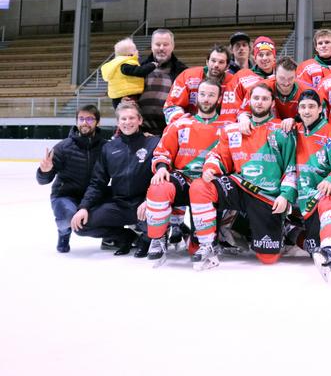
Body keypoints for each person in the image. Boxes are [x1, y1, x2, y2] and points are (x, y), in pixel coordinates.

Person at [189, 82, 297, 270]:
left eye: (265, 99)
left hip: (266, 195)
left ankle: (281, 226)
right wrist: (210, 168)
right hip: (239, 185)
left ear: (272, 103)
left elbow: (292, 168)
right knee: (200, 187)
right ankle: (206, 244)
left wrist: (285, 195)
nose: (260, 102)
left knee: (268, 258)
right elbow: (217, 155)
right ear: (249, 101)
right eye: (256, 98)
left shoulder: (282, 131)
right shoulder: (233, 129)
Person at [144, 79, 227, 265]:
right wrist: (162, 168)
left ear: (219, 99)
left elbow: (233, 158)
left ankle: (206, 243)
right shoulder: (180, 124)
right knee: (159, 186)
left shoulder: (227, 127)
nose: (206, 99)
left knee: (194, 249)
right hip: (183, 178)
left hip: (209, 183)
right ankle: (158, 238)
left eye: (211, 95)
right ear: (196, 97)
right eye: (202, 94)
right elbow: (162, 151)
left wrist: (216, 169)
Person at [70, 102, 160, 257]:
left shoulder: (153, 143)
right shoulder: (109, 148)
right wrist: (84, 207)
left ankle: (146, 239)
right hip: (119, 205)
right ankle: (126, 237)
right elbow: (97, 182)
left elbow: (161, 178)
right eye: (123, 119)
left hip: (145, 204)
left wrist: (149, 201)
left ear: (140, 120)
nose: (127, 122)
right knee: (81, 226)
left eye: (131, 118)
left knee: (158, 221)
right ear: (118, 122)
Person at [291, 89, 331, 281]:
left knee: (329, 201)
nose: (307, 111)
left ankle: (330, 252)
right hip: (306, 196)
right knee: (311, 246)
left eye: (311, 106)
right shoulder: (293, 130)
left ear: (320, 109)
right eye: (303, 107)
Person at [36, 105, 106, 253]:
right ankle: (63, 233)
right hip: (66, 195)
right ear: (76, 121)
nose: (85, 122)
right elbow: (43, 181)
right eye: (81, 119)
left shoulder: (105, 147)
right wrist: (44, 171)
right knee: (68, 218)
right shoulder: (63, 147)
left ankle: (112, 237)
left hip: (93, 195)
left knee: (113, 210)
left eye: (89, 119)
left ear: (98, 122)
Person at [163, 44, 234, 125]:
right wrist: (180, 120)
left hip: (221, 127)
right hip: (189, 126)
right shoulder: (188, 77)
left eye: (221, 62)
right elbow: (171, 105)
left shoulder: (233, 83)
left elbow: (238, 110)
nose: (216, 65)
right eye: (213, 61)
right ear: (207, 62)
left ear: (227, 66)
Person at [138, 29, 188, 134]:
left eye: (165, 44)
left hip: (170, 132)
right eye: (158, 44)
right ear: (152, 46)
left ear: (172, 46)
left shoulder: (183, 71)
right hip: (140, 132)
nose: (161, 48)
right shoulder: (138, 67)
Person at [101, 37, 156, 108]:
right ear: (129, 54)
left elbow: (141, 67)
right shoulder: (125, 64)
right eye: (135, 49)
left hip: (117, 97)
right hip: (128, 96)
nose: (137, 51)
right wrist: (152, 65)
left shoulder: (117, 64)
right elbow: (139, 71)